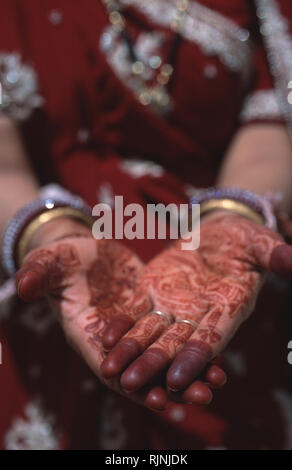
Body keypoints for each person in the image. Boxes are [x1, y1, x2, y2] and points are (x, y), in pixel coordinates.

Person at [1, 0, 292, 450]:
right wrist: (46, 230)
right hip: (45, 325)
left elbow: (271, 120)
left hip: (229, 320)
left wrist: (235, 215)